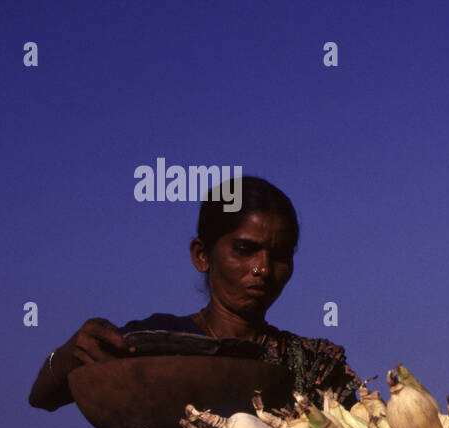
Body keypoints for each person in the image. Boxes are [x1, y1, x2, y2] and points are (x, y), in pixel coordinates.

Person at [28, 175, 361, 411]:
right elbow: (43, 397)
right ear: (202, 255)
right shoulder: (152, 344)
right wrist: (72, 352)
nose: (263, 268)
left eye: (279, 255)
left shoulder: (315, 366)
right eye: (245, 250)